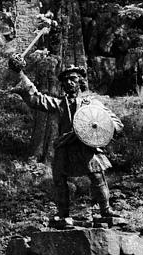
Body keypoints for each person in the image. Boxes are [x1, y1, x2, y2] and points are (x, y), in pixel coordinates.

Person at [8, 56, 123, 225]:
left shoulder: (93, 103)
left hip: (87, 146)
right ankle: (63, 214)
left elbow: (115, 123)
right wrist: (20, 73)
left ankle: (106, 210)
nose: (69, 82)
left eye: (73, 79)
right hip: (65, 145)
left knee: (98, 177)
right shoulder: (60, 104)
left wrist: (103, 128)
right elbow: (37, 99)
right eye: (66, 80)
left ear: (80, 82)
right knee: (59, 179)